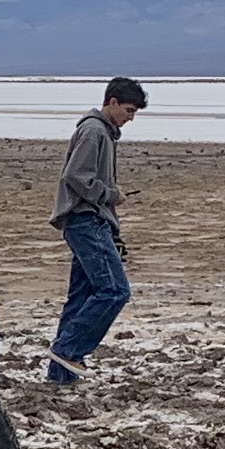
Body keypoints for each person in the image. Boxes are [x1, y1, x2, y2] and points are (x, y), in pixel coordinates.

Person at [46, 76, 147, 387]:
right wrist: (110, 194)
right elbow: (76, 177)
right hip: (84, 221)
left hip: (90, 220)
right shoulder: (93, 132)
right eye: (129, 110)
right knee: (115, 291)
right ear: (112, 102)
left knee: (81, 296)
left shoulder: (104, 132)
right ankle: (68, 350)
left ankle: (61, 376)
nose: (131, 118)